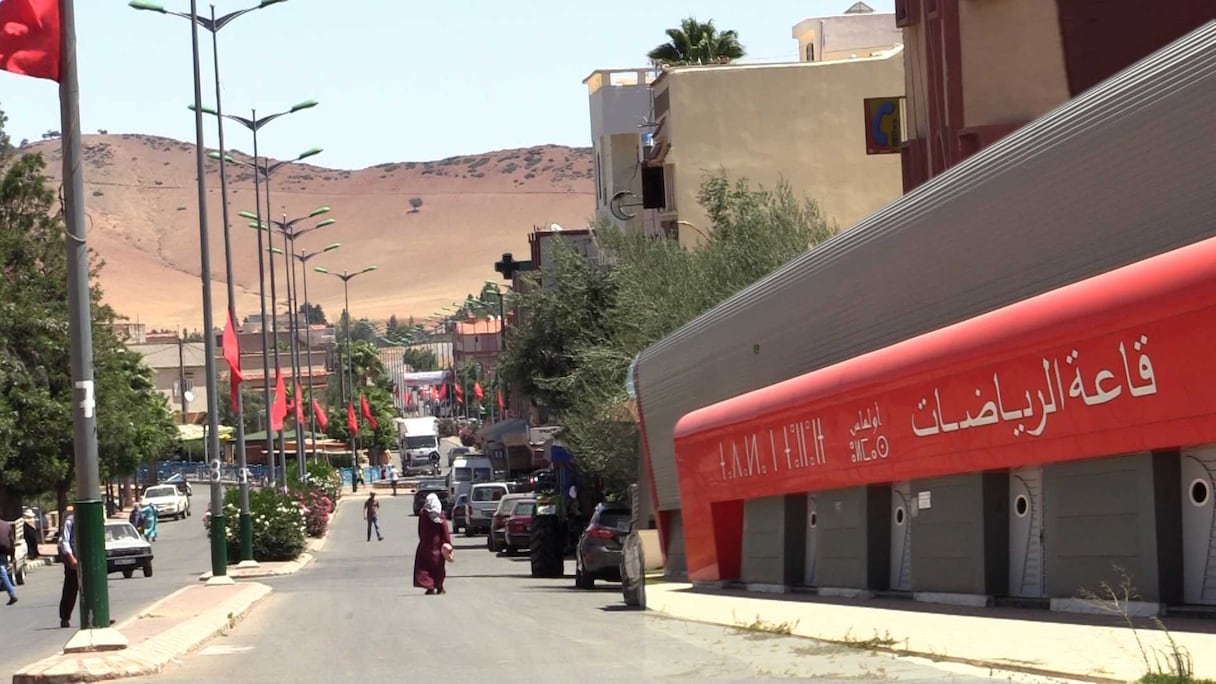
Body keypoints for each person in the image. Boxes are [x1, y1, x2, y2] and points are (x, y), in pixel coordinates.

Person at [413, 492, 451, 595]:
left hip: (425, 545)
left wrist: (423, 540)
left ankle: (430, 587)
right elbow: (445, 530)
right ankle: (439, 587)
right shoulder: (440, 515)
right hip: (437, 546)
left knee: (425, 567)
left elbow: (420, 530)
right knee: (438, 567)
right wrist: (448, 543)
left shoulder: (423, 514)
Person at [59, 505, 77, 628]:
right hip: (74, 559)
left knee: (94, 587)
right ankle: (65, 617)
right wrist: (71, 558)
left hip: (88, 559)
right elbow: (65, 541)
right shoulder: (70, 521)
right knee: (70, 589)